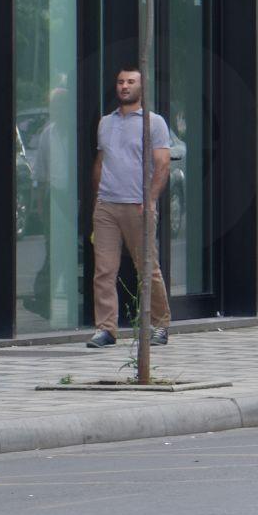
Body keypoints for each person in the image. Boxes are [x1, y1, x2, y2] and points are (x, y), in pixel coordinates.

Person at [88, 67, 173, 348]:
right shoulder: (105, 123)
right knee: (104, 270)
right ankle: (106, 329)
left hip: (138, 206)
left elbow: (162, 164)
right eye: (121, 82)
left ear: (142, 87)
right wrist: (96, 200)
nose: (124, 86)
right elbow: (101, 162)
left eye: (131, 82)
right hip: (107, 205)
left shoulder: (154, 122)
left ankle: (160, 324)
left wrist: (150, 200)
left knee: (147, 268)